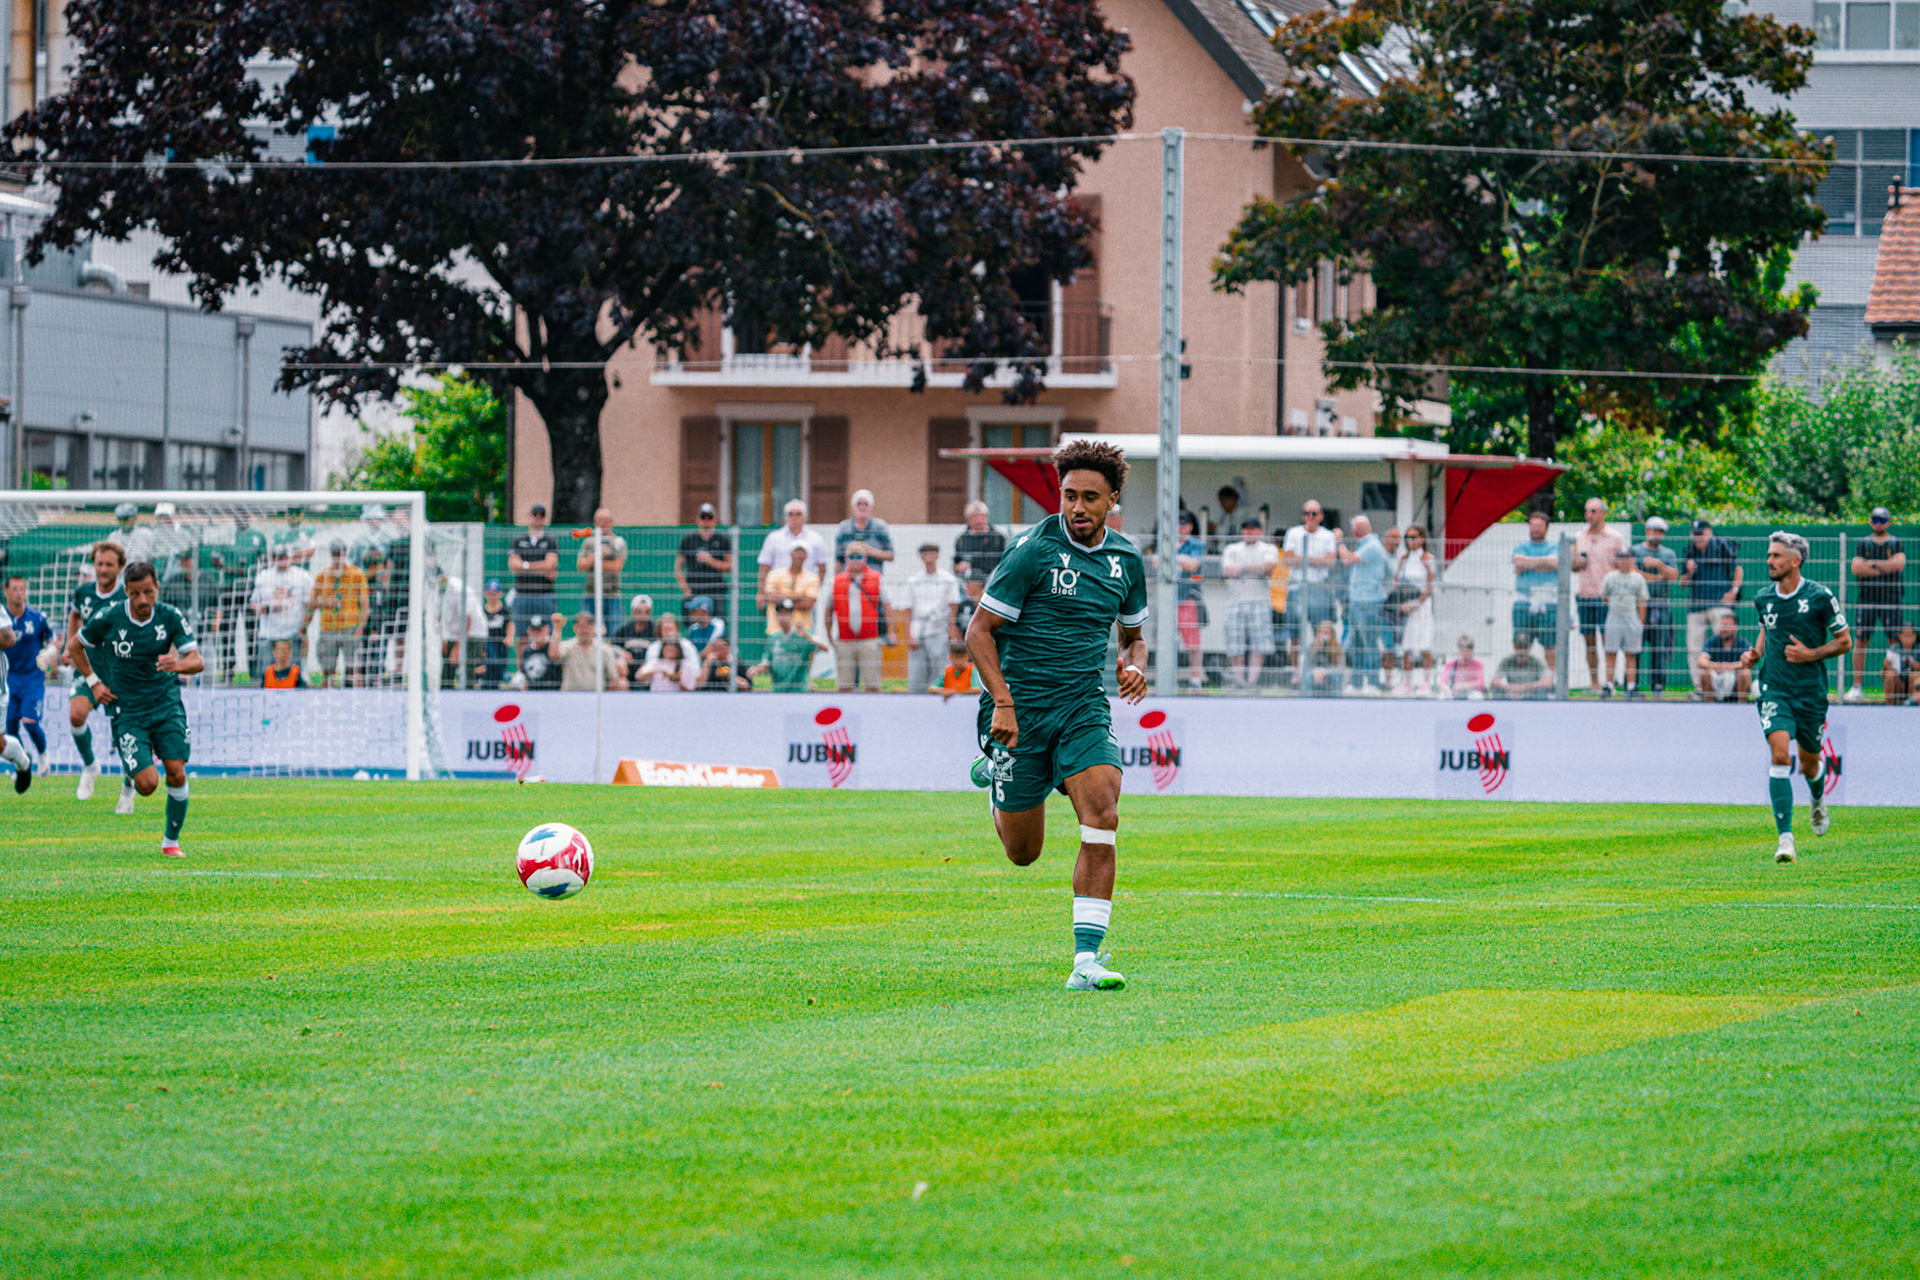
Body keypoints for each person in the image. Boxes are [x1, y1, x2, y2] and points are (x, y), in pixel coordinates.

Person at [965, 439, 1149, 994]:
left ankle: (1086, 960)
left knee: (1104, 812)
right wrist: (1003, 703)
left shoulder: (1127, 561)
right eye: (1069, 496)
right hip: (1018, 710)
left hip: (1082, 706)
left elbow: (1135, 638)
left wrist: (1136, 667)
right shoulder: (1032, 550)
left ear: (1112, 499)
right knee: (1024, 854)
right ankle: (998, 781)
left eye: (1090, 498)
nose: (1077, 508)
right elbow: (978, 633)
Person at [69, 560, 204, 856]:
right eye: (135, 594)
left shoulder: (170, 617)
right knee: (147, 785)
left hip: (166, 705)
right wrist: (93, 682)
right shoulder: (109, 617)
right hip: (127, 711)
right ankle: (136, 764)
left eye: (148, 592)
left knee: (177, 773)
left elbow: (197, 660)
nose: (143, 600)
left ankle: (171, 842)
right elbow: (74, 646)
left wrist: (178, 664)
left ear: (157, 586)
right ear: (126, 592)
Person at [1736, 531, 1851, 864]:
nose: (1769, 560)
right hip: (1774, 688)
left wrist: (1810, 653)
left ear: (1795, 561)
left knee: (1811, 763)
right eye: (1769, 555)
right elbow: (1766, 628)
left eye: (1775, 556)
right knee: (1780, 753)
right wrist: (1754, 654)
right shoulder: (1763, 598)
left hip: (1810, 693)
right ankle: (1785, 839)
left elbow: (1845, 642)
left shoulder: (1820, 596)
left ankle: (1817, 800)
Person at [66, 541, 135, 811]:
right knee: (76, 715)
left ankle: (128, 789)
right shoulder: (83, 592)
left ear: (120, 567)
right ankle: (90, 765)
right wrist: (67, 648)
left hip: (121, 671)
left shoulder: (128, 597)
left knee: (127, 736)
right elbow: (74, 616)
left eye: (109, 565)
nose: (103, 569)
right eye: (99, 564)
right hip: (88, 667)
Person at [1846, 506, 1905, 703]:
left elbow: (1899, 565)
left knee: (1894, 641)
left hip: (1891, 599)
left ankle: (1897, 685)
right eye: (1875, 520)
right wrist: (1885, 567)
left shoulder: (1896, 542)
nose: (1879, 523)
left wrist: (1871, 565)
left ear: (1888, 522)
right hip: (1867, 599)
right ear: (1871, 522)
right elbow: (1856, 568)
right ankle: (1857, 686)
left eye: (1882, 520)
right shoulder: (1864, 543)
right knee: (1861, 641)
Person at [1570, 498, 1626, 694]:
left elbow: (1623, 567)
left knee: (1608, 640)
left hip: (1607, 598)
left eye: (1593, 511)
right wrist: (1575, 561)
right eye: (1586, 511)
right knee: (1589, 641)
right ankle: (1594, 683)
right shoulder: (1579, 537)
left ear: (1603, 513)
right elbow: (1573, 566)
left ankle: (1609, 683)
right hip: (1585, 595)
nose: (1589, 515)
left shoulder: (1615, 537)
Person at [1282, 499, 1339, 683]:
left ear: (1321, 516)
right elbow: (1288, 560)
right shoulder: (1293, 533)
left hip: (1319, 587)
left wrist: (1303, 558)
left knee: (1321, 632)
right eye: (1306, 513)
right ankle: (1295, 673)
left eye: (1314, 513)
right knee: (1294, 636)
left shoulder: (1328, 536)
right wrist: (1316, 560)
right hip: (1297, 586)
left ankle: (1317, 670)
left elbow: (1330, 562)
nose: (1310, 517)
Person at [1682, 518, 1743, 685]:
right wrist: (1688, 572)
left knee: (1723, 643)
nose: (1698, 538)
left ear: (1708, 532)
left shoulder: (1723, 545)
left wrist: (1733, 591)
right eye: (1695, 535)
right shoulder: (1689, 550)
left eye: (1701, 534)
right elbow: (1682, 583)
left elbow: (1738, 569)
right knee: (1694, 649)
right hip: (1696, 606)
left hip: (1719, 605)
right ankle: (1700, 688)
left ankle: (1725, 685)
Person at [1222, 517, 1279, 689]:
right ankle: (1239, 680)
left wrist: (1243, 569)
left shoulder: (1268, 548)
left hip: (1259, 600)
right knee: (1234, 642)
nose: (1248, 532)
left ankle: (1252, 682)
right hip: (1235, 600)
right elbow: (1228, 570)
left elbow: (1268, 567)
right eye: (1245, 529)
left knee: (1259, 642)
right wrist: (1255, 569)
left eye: (1252, 529)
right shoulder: (1232, 548)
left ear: (1259, 531)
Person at [897, 542, 961, 694]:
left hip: (938, 629)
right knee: (916, 674)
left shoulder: (948, 579)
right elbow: (908, 609)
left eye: (932, 555)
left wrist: (951, 629)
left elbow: (953, 606)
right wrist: (908, 635)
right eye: (926, 555)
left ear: (937, 557)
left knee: (940, 672)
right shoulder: (913, 581)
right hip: (918, 630)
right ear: (921, 558)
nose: (929, 559)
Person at [828, 543, 892, 691]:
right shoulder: (836, 581)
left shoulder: (876, 578)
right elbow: (828, 610)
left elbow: (887, 606)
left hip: (869, 638)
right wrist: (829, 634)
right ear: (846, 558)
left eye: (859, 556)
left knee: (872, 684)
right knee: (844, 685)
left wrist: (891, 631)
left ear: (865, 558)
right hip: (845, 638)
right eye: (852, 556)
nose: (855, 560)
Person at [4, 575, 52, 768]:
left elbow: (53, 640)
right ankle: (22, 763)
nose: (19, 593)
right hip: (8, 679)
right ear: (6, 592)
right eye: (14, 589)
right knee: (10, 727)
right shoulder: (2, 619)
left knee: (29, 719)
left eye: (22, 589)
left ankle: (43, 753)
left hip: (32, 678)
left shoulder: (37, 618)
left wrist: (49, 653)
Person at [305, 540, 367, 688]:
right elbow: (311, 604)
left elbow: (365, 604)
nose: (338, 557)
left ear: (345, 553)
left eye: (340, 553)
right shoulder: (322, 576)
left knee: (354, 670)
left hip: (349, 626)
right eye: (335, 554)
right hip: (328, 627)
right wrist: (324, 604)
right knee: (327, 671)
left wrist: (360, 628)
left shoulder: (356, 574)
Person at [1340, 515, 1391, 692]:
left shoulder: (1372, 546)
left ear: (1355, 531)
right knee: (1357, 645)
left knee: (1370, 644)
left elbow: (1347, 560)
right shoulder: (1364, 545)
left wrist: (1339, 542)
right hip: (1357, 602)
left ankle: (1373, 683)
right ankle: (1356, 683)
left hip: (1369, 603)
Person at [1631, 516, 1681, 695]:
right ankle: (1632, 684)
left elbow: (1674, 576)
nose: (1656, 534)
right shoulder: (1635, 550)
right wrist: (1658, 577)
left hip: (1661, 605)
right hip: (1637, 606)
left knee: (1660, 646)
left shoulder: (1668, 554)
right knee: (1634, 646)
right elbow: (1631, 572)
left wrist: (1658, 565)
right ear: (1646, 531)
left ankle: (1658, 685)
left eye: (1659, 532)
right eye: (1653, 530)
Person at [250, 545, 314, 676]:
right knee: (267, 674)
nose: (281, 559)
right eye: (277, 556)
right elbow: (253, 603)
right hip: (269, 632)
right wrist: (264, 609)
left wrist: (305, 626)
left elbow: (310, 604)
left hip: (293, 631)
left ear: (289, 556)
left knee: (296, 674)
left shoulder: (302, 576)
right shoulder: (264, 576)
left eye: (283, 556)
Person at [755, 500, 830, 611]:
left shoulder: (815, 538)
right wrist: (761, 592)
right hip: (778, 594)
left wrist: (813, 590)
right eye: (790, 514)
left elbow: (822, 568)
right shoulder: (774, 538)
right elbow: (764, 567)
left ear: (804, 516)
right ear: (786, 516)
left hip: (804, 595)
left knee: (805, 627)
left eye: (798, 514)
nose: (794, 517)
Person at [1511, 511, 1560, 673]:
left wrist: (1528, 564)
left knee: (1550, 644)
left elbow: (1554, 564)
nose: (1535, 529)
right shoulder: (1521, 546)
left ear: (1546, 528)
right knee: (1521, 642)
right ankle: (1521, 679)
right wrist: (1543, 564)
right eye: (1532, 526)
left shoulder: (1554, 546)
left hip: (1548, 602)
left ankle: (1553, 680)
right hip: (1524, 601)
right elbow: (1518, 562)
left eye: (1539, 526)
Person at [1392, 525, 1437, 694]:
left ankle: (1426, 682)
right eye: (1408, 537)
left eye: (1414, 537)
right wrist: (1402, 600)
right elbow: (1397, 581)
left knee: (1425, 645)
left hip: (1422, 606)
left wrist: (1417, 602)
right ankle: (1407, 682)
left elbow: (1430, 586)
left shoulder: (1428, 559)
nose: (1410, 541)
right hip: (1406, 607)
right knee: (1407, 646)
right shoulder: (1403, 559)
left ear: (1422, 538)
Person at [1599, 546, 1649, 699]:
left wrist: (1640, 622)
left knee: (1631, 653)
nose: (1623, 561)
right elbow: (1604, 597)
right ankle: (1609, 685)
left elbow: (1642, 601)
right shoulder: (1610, 577)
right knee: (1611, 652)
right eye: (1620, 558)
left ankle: (1631, 686)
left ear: (1632, 560)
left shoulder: (1638, 578)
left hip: (1631, 617)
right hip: (1614, 616)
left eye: (1626, 558)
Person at [749, 599, 828, 692]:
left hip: (800, 690)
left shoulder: (802, 635)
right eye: (780, 613)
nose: (783, 617)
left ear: (792, 615)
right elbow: (766, 664)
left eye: (786, 613)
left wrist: (808, 637)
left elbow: (825, 647)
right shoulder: (773, 638)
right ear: (776, 616)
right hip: (778, 690)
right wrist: (757, 670)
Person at [508, 503, 559, 637]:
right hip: (522, 593)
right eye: (535, 515)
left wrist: (524, 566)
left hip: (545, 594)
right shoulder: (518, 539)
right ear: (529, 517)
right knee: (521, 636)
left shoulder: (550, 539)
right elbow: (513, 565)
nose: (537, 518)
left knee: (548, 634)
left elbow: (550, 565)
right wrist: (540, 568)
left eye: (541, 516)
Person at [547, 609, 629, 691]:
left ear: (594, 628)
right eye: (581, 626)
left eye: (588, 626)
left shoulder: (604, 650)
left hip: (596, 699)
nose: (585, 630)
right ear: (575, 628)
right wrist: (557, 629)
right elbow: (554, 655)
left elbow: (613, 678)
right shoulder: (568, 646)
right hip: (572, 697)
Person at [675, 503, 734, 615]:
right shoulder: (688, 539)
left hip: (715, 590)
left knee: (718, 620)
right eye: (703, 518)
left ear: (715, 520)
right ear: (697, 519)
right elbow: (678, 566)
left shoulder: (722, 539)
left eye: (709, 518)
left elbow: (730, 565)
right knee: (692, 621)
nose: (706, 522)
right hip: (695, 589)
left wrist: (711, 561)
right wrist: (685, 588)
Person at [1171, 511, 1207, 691]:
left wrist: (1173, 558)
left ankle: (1195, 678)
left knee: (1193, 641)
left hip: (1187, 597)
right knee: (1167, 640)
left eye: (1183, 524)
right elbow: (1154, 561)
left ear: (1190, 526)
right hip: (1168, 599)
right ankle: (1169, 676)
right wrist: (1182, 560)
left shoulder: (1196, 544)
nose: (1179, 528)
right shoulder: (1168, 540)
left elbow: (1194, 565)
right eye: (1177, 524)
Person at [575, 507, 627, 618]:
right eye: (600, 520)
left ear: (612, 522)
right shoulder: (588, 542)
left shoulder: (618, 542)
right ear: (594, 522)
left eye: (606, 520)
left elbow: (616, 567)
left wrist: (592, 561)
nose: (603, 524)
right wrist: (597, 555)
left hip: (612, 594)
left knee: (615, 632)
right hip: (590, 593)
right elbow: (580, 565)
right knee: (586, 629)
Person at [762, 543, 821, 635]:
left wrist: (782, 600)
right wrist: (798, 596)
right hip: (776, 629)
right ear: (790, 554)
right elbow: (771, 597)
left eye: (802, 552)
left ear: (806, 556)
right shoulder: (775, 574)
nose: (799, 556)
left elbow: (809, 603)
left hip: (802, 630)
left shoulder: (812, 578)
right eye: (796, 552)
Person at [1696, 609, 1752, 703]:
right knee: (1703, 672)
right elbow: (1701, 660)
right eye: (1721, 625)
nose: (1723, 629)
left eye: (1727, 626)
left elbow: (1749, 661)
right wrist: (1716, 666)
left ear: (1735, 628)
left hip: (1734, 680)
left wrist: (1730, 667)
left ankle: (1741, 703)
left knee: (1745, 672)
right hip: (1716, 678)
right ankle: (1710, 704)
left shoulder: (1742, 643)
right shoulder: (1712, 641)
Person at [834, 489, 894, 569]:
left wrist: (870, 551)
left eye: (866, 504)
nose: (862, 507)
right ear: (853, 506)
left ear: (871, 507)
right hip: (849, 579)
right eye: (859, 504)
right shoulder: (844, 528)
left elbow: (891, 555)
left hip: (873, 579)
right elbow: (838, 559)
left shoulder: (880, 527)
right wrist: (838, 579)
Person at [952, 501, 1008, 587]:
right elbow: (955, 566)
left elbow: (1006, 562)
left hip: (994, 583)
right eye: (974, 517)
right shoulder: (962, 539)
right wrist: (960, 567)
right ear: (968, 519)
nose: (979, 520)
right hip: (970, 585)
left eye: (982, 516)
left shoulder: (998, 538)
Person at [638, 615, 700, 692]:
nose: (667, 633)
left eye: (670, 629)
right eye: (664, 629)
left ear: (677, 629)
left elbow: (695, 674)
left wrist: (678, 678)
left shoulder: (687, 646)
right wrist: (660, 670)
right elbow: (644, 674)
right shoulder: (654, 647)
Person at [476, 580, 514, 687]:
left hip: (501, 644)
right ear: (485, 593)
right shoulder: (482, 611)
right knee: (491, 663)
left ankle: (496, 683)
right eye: (490, 593)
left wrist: (509, 637)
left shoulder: (504, 611)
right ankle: (486, 683)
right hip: (487, 643)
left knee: (500, 667)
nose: (492, 596)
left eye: (495, 593)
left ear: (500, 594)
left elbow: (510, 624)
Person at [611, 595, 657, 676]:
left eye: (646, 611)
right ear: (633, 612)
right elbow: (612, 647)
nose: (643, 614)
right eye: (639, 611)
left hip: (648, 672)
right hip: (627, 670)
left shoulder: (655, 630)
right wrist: (622, 653)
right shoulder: (625, 629)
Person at [514, 617, 562, 691]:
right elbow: (525, 678)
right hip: (532, 695)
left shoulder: (552, 648)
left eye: (539, 630)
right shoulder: (526, 651)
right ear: (529, 632)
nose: (536, 634)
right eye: (533, 631)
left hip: (552, 694)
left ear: (546, 630)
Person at [1437, 635, 1488, 699]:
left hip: (1470, 692)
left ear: (1472, 650)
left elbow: (1480, 683)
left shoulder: (1478, 664)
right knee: (1442, 696)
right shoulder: (1450, 664)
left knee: (1476, 696)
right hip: (1454, 693)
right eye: (1462, 646)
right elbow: (1442, 682)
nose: (1465, 649)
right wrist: (1447, 690)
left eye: (1469, 647)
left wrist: (1464, 685)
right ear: (1458, 649)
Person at [106, 502, 155, 567]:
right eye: (121, 519)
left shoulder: (146, 535)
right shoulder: (113, 537)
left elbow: (152, 559)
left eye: (126, 518)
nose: (124, 522)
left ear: (135, 517)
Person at [1305, 619, 1346, 697]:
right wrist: (1315, 649)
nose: (1323, 636)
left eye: (1326, 633)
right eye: (1320, 632)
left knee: (1337, 676)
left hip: (1330, 675)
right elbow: (1307, 666)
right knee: (1307, 676)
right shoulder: (1312, 646)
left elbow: (1340, 668)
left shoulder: (1338, 648)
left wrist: (1326, 672)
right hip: (1316, 675)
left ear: (1332, 634)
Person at [1883, 622, 1917, 705]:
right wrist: (1887, 666)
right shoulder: (1893, 649)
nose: (1908, 639)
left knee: (1915, 675)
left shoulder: (1918, 649)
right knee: (1890, 675)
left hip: (1913, 683)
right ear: (1900, 636)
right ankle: (1889, 706)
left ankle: (1911, 704)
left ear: (1915, 637)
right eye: (1905, 635)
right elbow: (1883, 673)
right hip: (1898, 681)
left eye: (1910, 636)